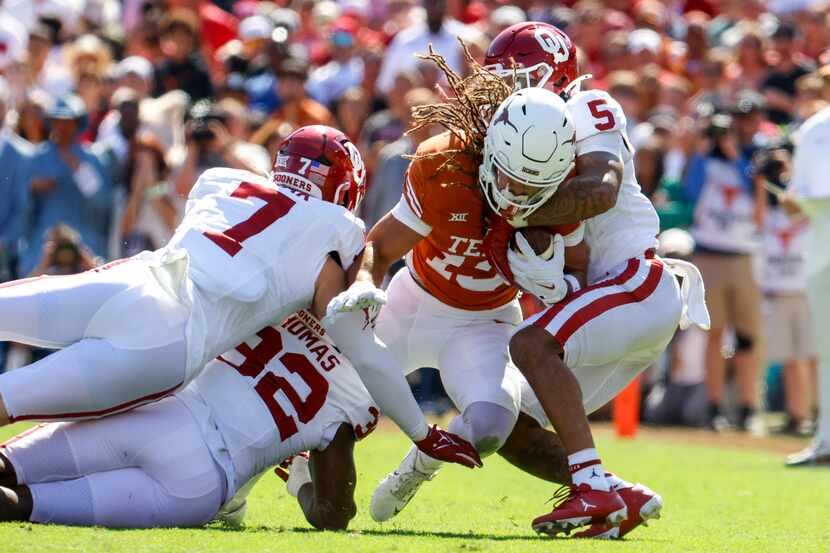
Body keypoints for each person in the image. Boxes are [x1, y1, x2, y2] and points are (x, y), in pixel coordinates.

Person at [0, 125, 480, 471]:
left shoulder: (221, 181)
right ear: (344, 189)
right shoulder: (339, 231)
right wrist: (422, 432)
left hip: (128, 282)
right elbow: (359, 349)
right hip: (168, 340)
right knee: (9, 397)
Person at [483, 22, 707, 538]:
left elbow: (601, 189)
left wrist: (517, 212)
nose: (511, 89)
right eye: (502, 80)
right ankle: (616, 496)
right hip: (602, 300)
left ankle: (589, 488)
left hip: (637, 283)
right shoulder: (515, 135)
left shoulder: (586, 107)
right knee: (502, 420)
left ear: (557, 71)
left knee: (531, 344)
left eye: (521, 76)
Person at [365, 51, 586, 526]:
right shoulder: (444, 162)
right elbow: (380, 248)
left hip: (487, 321)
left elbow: (578, 284)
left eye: (535, 186)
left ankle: (418, 466)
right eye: (510, 175)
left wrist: (555, 280)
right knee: (325, 397)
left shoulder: (569, 189)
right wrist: (360, 301)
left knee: (488, 426)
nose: (519, 195)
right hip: (414, 301)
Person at [0, 314, 379, 529]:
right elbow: (333, 515)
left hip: (164, 415)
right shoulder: (355, 391)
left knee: (11, 466)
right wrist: (299, 482)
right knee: (26, 505)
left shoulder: (282, 306)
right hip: (203, 480)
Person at [782, 104, 830, 466]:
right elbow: (796, 205)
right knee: (826, 351)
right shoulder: (814, 129)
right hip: (822, 254)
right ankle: (826, 439)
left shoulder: (814, 129)